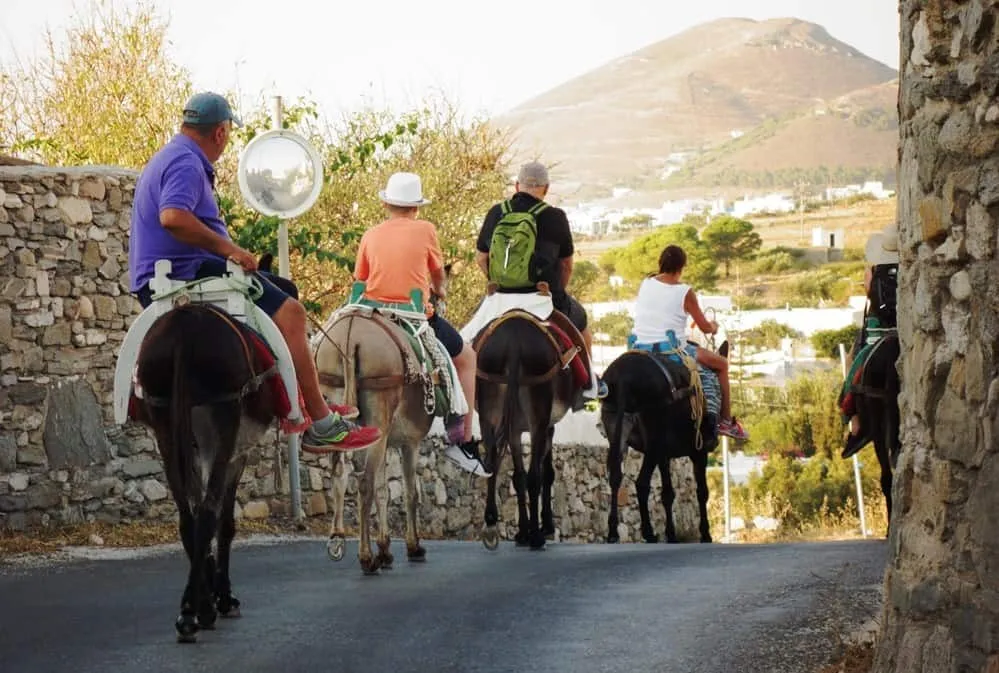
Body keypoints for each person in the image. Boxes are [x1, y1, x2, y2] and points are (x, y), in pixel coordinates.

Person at [127, 91, 382, 453]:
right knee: (291, 313)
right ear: (219, 133)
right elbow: (173, 217)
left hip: (166, 272)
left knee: (284, 289)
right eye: (228, 133)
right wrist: (231, 249)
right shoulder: (186, 162)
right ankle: (322, 425)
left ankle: (300, 396)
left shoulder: (169, 155)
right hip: (189, 272)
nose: (227, 141)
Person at [353, 171, 491, 477]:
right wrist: (440, 290)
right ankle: (462, 439)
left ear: (387, 204)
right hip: (413, 315)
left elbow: (359, 279)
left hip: (373, 313)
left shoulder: (370, 233)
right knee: (467, 358)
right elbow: (438, 274)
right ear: (416, 207)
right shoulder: (426, 229)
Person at [475, 161, 607, 398]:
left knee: (469, 337)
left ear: (517, 186)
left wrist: (498, 281)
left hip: (501, 297)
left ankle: (462, 386)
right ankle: (588, 385)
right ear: (545, 189)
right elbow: (566, 265)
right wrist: (558, 292)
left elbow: (481, 258)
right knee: (581, 323)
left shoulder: (497, 212)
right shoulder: (555, 217)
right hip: (543, 297)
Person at [632, 244, 749, 440]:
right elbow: (704, 327)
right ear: (681, 267)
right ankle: (726, 421)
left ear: (661, 263)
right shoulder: (685, 292)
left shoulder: (647, 283)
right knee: (722, 364)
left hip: (641, 346)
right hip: (672, 349)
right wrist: (713, 326)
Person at [839, 224, 899, 455]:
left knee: (855, 362)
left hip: (878, 329)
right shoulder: (911, 265)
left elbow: (869, 295)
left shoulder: (874, 270)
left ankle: (852, 417)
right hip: (904, 329)